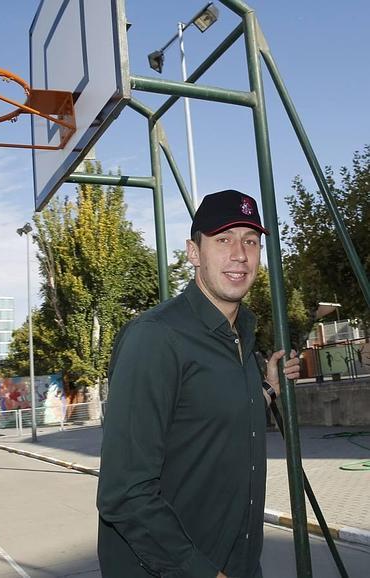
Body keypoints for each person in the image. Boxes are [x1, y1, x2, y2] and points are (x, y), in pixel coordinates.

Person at [97, 189, 300, 578]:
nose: (240, 253)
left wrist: (269, 388)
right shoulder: (155, 338)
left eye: (251, 241)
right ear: (194, 252)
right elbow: (124, 492)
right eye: (223, 239)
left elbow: (208, 422)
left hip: (238, 562)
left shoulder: (242, 333)